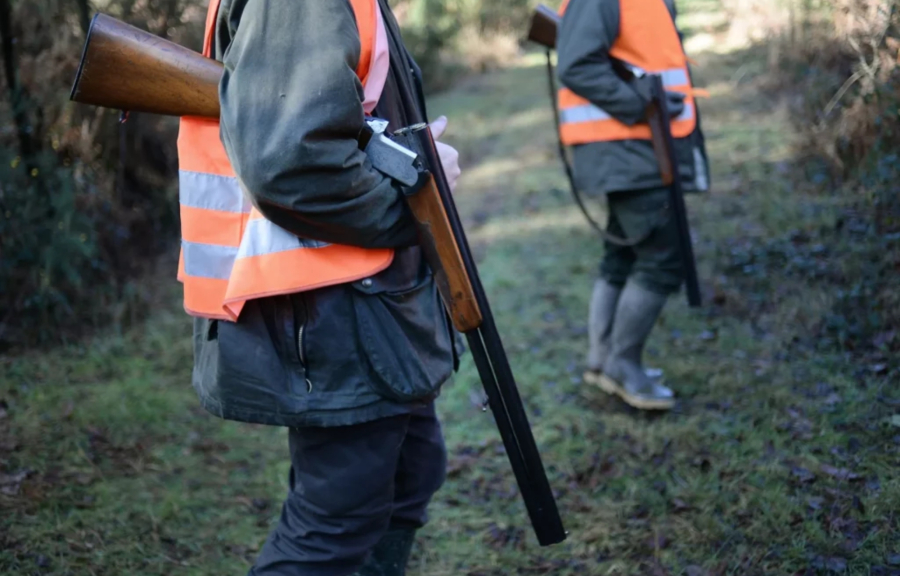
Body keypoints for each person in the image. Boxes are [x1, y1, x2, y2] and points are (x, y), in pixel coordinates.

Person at [175, 0, 462, 574]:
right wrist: (414, 211)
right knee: (334, 523)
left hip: (363, 302)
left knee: (407, 476)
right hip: (333, 310)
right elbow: (290, 164)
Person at [556, 0, 710, 411]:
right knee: (663, 257)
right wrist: (641, 104)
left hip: (635, 147)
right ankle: (622, 366)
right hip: (629, 147)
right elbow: (576, 65)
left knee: (623, 255)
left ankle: (602, 361)